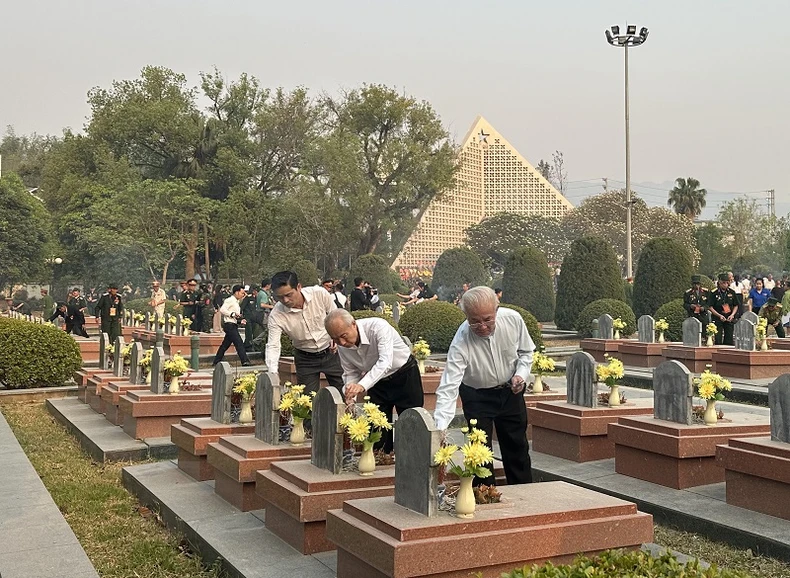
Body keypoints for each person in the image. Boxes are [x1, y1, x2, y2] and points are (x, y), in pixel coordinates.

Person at [433, 286, 535, 486]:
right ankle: (485, 497)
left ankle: (525, 496)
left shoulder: (513, 319)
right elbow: (449, 386)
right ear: (466, 316)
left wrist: (520, 375)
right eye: (475, 321)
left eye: (488, 319)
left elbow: (526, 351)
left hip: (510, 391)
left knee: (517, 447)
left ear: (497, 310)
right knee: (479, 453)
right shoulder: (460, 341)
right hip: (476, 395)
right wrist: (440, 430)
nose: (482, 326)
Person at [326, 308, 423, 453]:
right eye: (335, 339)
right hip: (375, 382)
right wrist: (350, 391)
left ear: (353, 324)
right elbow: (350, 371)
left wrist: (361, 385)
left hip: (404, 375)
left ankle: (411, 462)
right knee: (377, 429)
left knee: (410, 422)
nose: (342, 342)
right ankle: (381, 458)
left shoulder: (378, 327)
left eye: (344, 336)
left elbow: (385, 362)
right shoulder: (342, 346)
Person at [265, 271, 344, 394]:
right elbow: (273, 345)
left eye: (288, 294)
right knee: (307, 402)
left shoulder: (319, 294)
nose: (285, 300)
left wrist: (336, 337)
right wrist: (273, 373)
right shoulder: (276, 315)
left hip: (331, 353)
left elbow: (336, 316)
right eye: (279, 297)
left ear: (298, 287)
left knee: (344, 392)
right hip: (305, 359)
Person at [212, 284, 252, 366]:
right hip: (229, 325)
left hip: (233, 324)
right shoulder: (230, 300)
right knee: (239, 342)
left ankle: (216, 360)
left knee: (225, 345)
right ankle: (245, 361)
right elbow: (222, 310)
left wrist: (240, 321)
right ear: (237, 292)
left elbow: (234, 316)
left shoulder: (236, 302)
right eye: (242, 293)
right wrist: (232, 314)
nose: (243, 295)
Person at [710, 273, 739, 346]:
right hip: (718, 317)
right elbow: (710, 307)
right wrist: (719, 315)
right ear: (719, 282)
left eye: (727, 283)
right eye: (723, 283)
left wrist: (732, 315)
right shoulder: (714, 293)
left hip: (729, 317)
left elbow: (736, 305)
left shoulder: (732, 292)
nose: (725, 285)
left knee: (729, 339)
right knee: (718, 339)